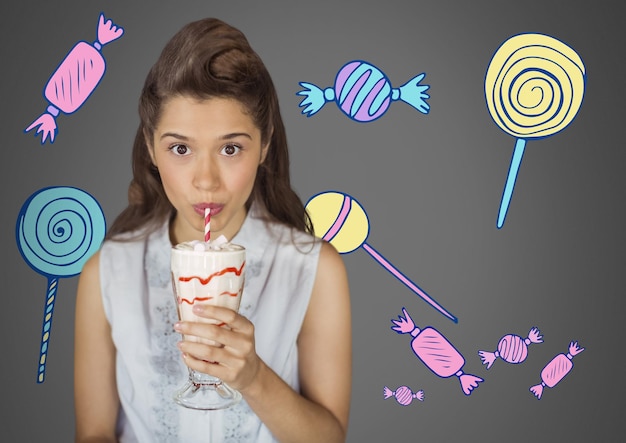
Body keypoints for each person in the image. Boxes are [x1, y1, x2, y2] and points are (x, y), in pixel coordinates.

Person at [74, 17, 351, 443]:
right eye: (180, 149)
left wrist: (254, 377)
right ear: (151, 146)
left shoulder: (311, 268)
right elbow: (94, 433)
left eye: (230, 148)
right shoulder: (107, 273)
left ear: (266, 143)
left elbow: (329, 437)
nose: (206, 180)